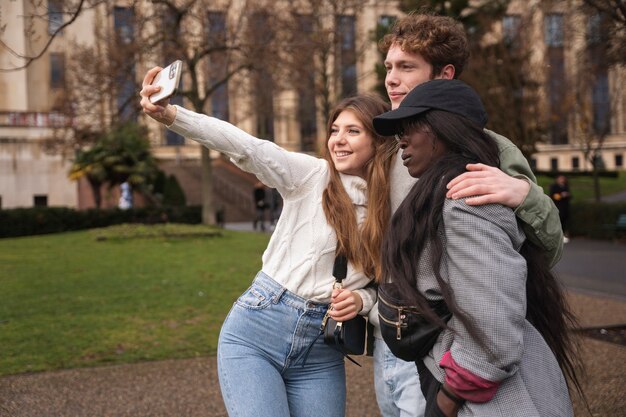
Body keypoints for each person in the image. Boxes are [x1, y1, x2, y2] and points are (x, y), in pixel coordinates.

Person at [140, 76, 397, 417]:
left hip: (321, 353)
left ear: (378, 142)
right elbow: (246, 147)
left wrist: (361, 300)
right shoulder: (311, 176)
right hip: (258, 332)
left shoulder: (392, 205)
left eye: (353, 131)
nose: (338, 140)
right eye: (335, 130)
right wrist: (172, 116)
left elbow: (391, 283)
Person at [370, 12, 565, 417]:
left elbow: (536, 257)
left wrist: (526, 196)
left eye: (406, 67)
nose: (391, 78)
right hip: (403, 339)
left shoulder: (486, 153)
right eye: (388, 67)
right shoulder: (393, 148)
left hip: (459, 349)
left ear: (444, 76)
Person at [550, 175, 572, 243]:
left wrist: (568, 195)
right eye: (560, 178)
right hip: (558, 206)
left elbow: (570, 195)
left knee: (565, 222)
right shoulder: (554, 186)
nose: (561, 180)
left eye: (563, 178)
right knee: (559, 221)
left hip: (565, 207)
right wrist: (561, 196)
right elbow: (553, 196)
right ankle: (557, 236)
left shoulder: (565, 186)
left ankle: (564, 236)